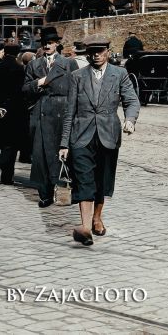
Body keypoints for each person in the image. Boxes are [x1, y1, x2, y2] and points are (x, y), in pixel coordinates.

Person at [59, 35, 140, 246]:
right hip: (81, 136)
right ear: (87, 54)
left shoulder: (120, 74)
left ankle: (97, 217)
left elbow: (131, 101)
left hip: (108, 134)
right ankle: (85, 227)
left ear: (108, 52)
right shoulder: (77, 76)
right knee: (83, 179)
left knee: (102, 180)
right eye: (92, 51)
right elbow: (69, 112)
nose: (96, 55)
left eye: (100, 51)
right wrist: (64, 143)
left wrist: (130, 120)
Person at [23, 27, 78, 206]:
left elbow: (75, 89)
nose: (47, 46)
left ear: (57, 44)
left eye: (50, 43)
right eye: (44, 43)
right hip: (41, 112)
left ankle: (66, 188)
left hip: (62, 112)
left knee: (63, 152)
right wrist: (39, 83)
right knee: (40, 155)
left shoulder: (68, 63)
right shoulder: (33, 65)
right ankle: (44, 193)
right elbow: (25, 89)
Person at [0, 44, 27, 184]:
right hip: (15, 111)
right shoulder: (20, 69)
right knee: (12, 144)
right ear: (17, 54)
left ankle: (4, 166)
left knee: (1, 141)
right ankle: (8, 175)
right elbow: (21, 92)